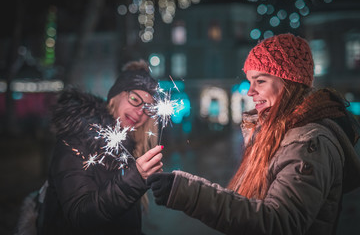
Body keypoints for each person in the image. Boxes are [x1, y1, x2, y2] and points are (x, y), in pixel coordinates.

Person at [146, 33, 360, 235]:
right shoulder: (278, 133)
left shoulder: (308, 144)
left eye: (260, 81)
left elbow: (277, 222)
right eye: (250, 81)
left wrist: (187, 192)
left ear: (288, 82)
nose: (250, 91)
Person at [36, 59, 163, 235]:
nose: (140, 111)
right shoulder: (78, 136)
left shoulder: (130, 148)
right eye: (134, 98)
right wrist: (135, 179)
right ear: (115, 95)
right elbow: (80, 215)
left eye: (148, 107)